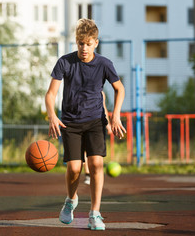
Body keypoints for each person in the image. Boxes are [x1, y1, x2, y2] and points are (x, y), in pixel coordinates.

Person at [45, 18, 126, 231]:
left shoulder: (104, 64)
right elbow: (50, 94)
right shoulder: (65, 62)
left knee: (96, 165)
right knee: (74, 169)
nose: (84, 48)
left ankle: (95, 214)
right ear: (76, 42)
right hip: (70, 122)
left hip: (95, 122)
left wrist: (115, 116)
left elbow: (120, 89)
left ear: (96, 43)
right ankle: (71, 200)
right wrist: (52, 116)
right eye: (81, 43)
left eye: (88, 43)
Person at [83, 92, 112, 185]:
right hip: (81, 123)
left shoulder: (102, 93)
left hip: (96, 125)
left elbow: (104, 109)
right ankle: (87, 174)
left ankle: (95, 173)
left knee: (95, 154)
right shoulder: (81, 89)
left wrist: (108, 125)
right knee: (84, 151)